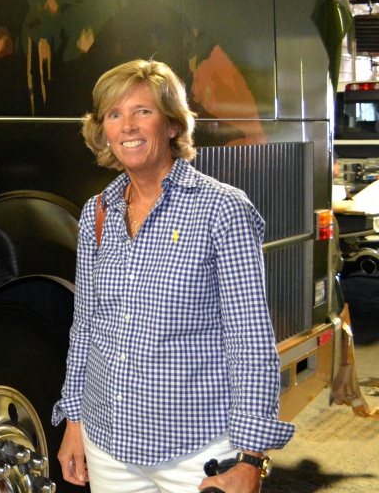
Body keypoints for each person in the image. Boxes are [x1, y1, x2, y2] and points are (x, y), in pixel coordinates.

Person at [53, 59, 293, 493]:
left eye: (142, 111)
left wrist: (250, 458)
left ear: (171, 125)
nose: (128, 126)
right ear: (102, 130)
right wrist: (75, 421)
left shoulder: (222, 210)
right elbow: (86, 326)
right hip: (110, 446)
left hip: (197, 454)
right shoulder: (97, 213)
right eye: (114, 114)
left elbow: (251, 341)